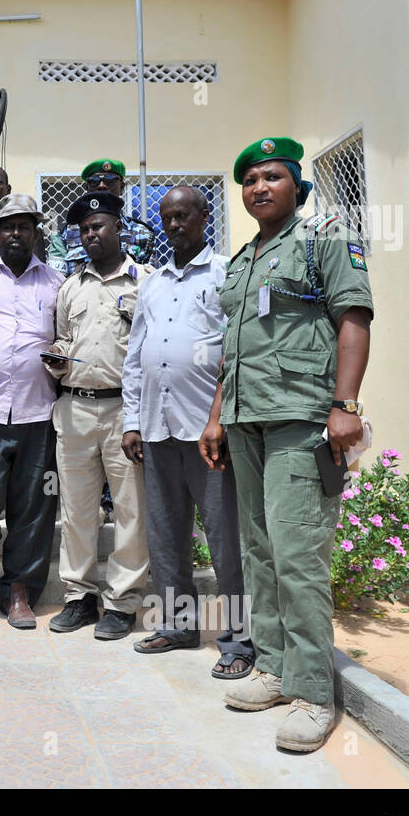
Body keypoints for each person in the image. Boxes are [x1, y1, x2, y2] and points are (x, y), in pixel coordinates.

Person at [199, 137, 373, 753]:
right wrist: (217, 416)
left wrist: (345, 405)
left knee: (298, 555)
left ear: (296, 183)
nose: (258, 188)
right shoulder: (244, 259)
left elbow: (354, 317)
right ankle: (272, 667)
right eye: (248, 180)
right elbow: (233, 350)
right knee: (260, 549)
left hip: (303, 418)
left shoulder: (325, 236)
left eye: (271, 176)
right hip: (248, 422)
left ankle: (312, 693)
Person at [121, 186, 254, 676]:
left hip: (207, 432)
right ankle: (179, 626)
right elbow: (135, 357)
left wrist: (219, 419)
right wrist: (132, 420)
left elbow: (236, 352)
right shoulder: (152, 283)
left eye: (184, 215)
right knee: (166, 535)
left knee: (224, 538)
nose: (175, 224)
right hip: (157, 429)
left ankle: (240, 641)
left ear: (204, 218)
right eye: (167, 217)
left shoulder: (225, 273)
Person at [45, 190, 152, 640]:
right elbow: (66, 339)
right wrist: (57, 354)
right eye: (84, 229)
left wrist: (140, 418)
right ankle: (79, 596)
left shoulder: (145, 282)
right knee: (77, 509)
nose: (91, 234)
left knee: (130, 509)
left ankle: (122, 603)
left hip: (124, 410)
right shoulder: (71, 287)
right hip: (74, 407)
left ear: (118, 229)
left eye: (99, 226)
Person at [0, 194, 65, 628]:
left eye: (24, 227)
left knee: (34, 506)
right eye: (8, 227)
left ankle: (20, 591)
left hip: (39, 412)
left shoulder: (56, 282)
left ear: (35, 233)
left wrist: (62, 356)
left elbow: (69, 336)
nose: (15, 234)